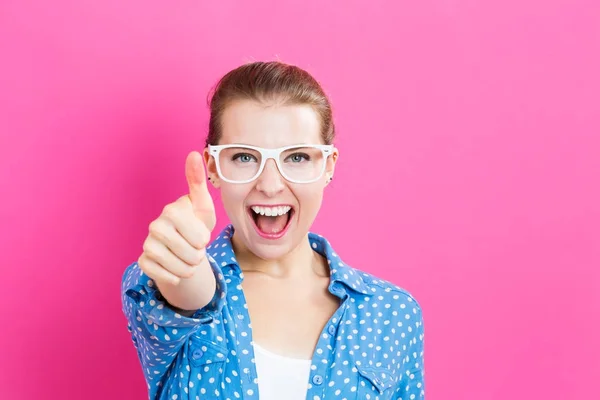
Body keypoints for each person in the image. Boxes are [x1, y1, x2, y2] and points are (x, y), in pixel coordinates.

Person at [121, 61, 425, 400]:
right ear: (213, 167)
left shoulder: (392, 313)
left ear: (327, 166)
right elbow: (189, 295)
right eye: (244, 157)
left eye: (296, 158)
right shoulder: (165, 280)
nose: (269, 185)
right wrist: (187, 267)